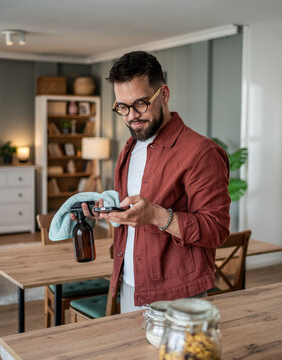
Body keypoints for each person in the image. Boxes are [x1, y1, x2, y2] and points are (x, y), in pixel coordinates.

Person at [83, 50, 231, 313]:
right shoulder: (129, 147)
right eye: (123, 107)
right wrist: (105, 212)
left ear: (164, 94)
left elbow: (216, 230)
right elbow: (131, 214)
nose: (131, 116)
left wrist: (156, 216)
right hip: (130, 282)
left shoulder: (201, 153)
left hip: (179, 294)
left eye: (140, 104)